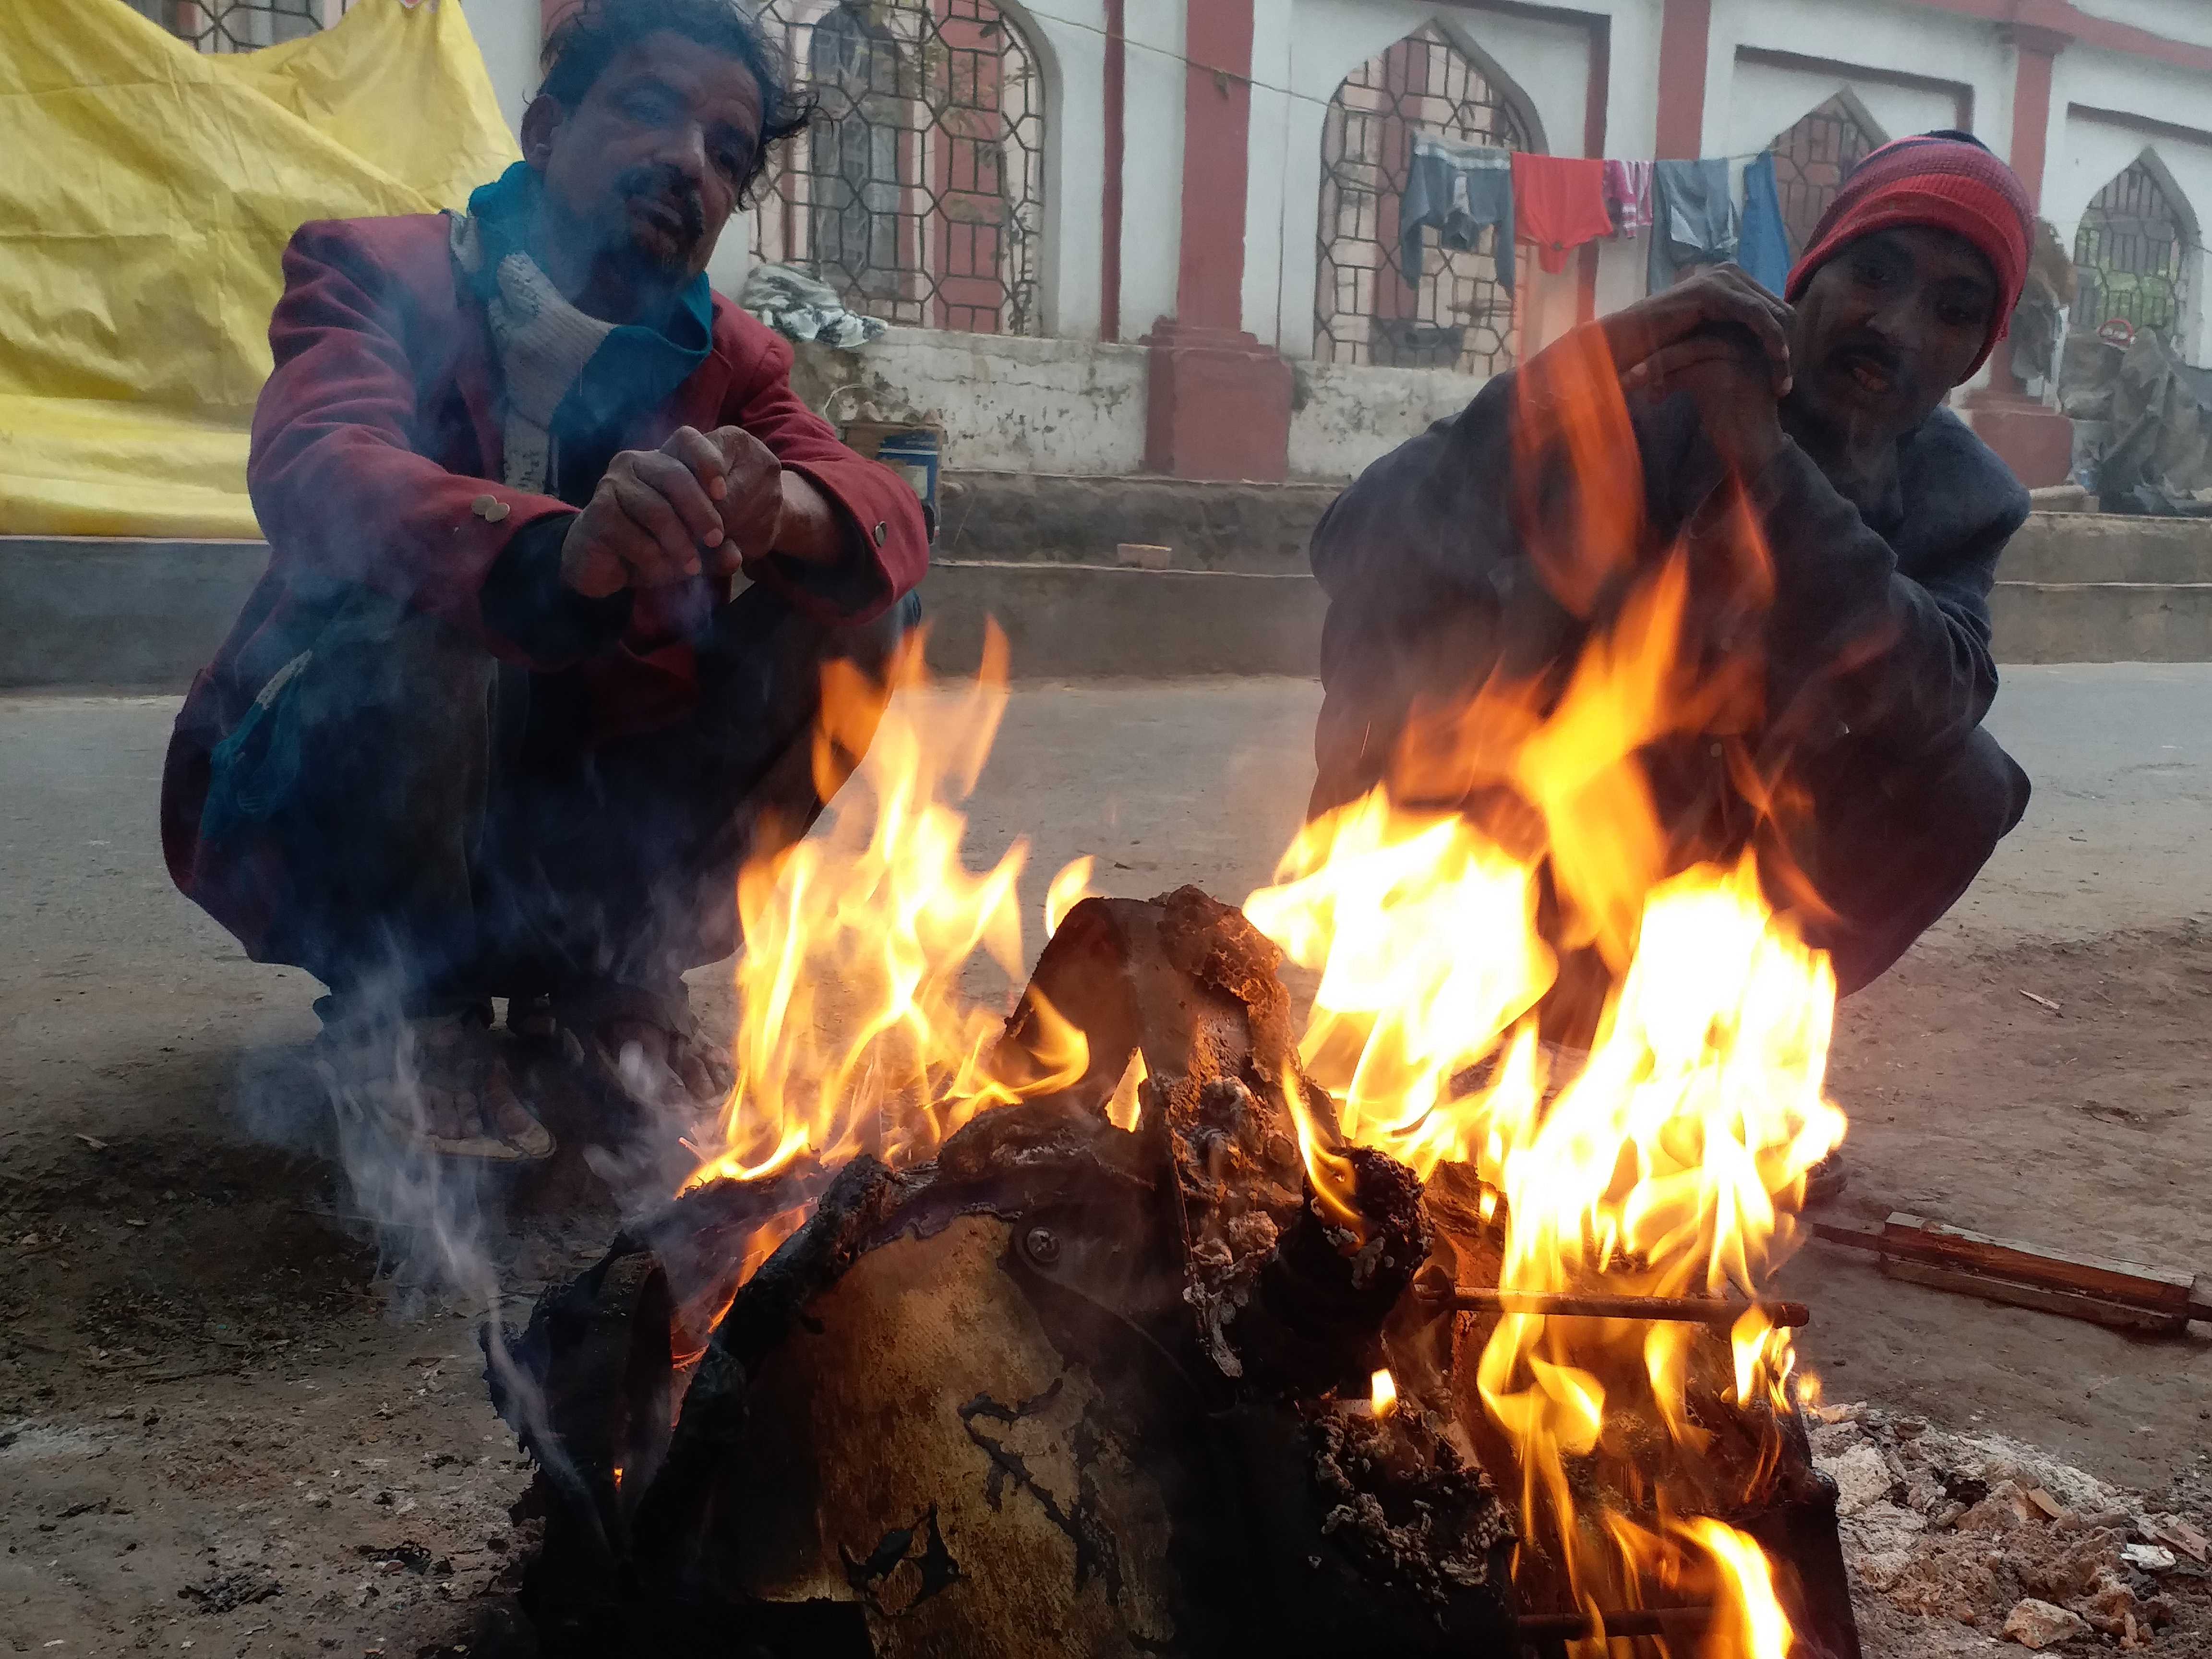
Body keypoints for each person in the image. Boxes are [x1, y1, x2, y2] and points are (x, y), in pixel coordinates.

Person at [160, 0, 929, 1159]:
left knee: (860, 612)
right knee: (414, 597)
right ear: (543, 130)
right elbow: (319, 466)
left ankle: (615, 979)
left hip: (581, 833)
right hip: (339, 808)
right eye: (648, 110)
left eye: (729, 154)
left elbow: (890, 516)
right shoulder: (379, 269)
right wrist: (544, 547)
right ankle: (412, 1012)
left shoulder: (730, 359)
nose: (689, 163)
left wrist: (786, 504)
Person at [1309, 132, 2037, 1016]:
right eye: (1876, 274)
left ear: (1973, 356)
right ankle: (1434, 990)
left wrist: (1769, 470)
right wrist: (1591, 361)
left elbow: (1941, 695)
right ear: (1810, 275)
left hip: (1685, 923)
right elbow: (1356, 542)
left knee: (1970, 782)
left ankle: (1701, 1063)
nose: (1897, 328)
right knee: (1433, 594)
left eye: (1954, 311)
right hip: (1494, 862)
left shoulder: (1961, 497)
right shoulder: (1660, 379)